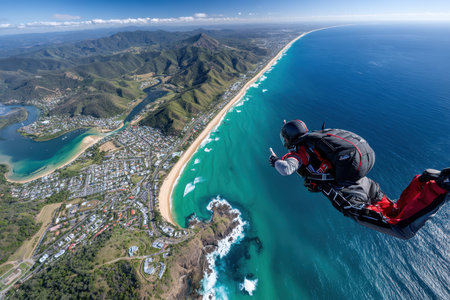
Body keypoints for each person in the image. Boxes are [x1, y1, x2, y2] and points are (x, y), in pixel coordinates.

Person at [269, 120, 449, 240]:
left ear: (289, 138)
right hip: (364, 182)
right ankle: (424, 182)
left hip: (348, 195)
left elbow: (286, 169)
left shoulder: (301, 151)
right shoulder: (317, 139)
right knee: (395, 210)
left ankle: (440, 187)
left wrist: (276, 161)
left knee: (402, 229)